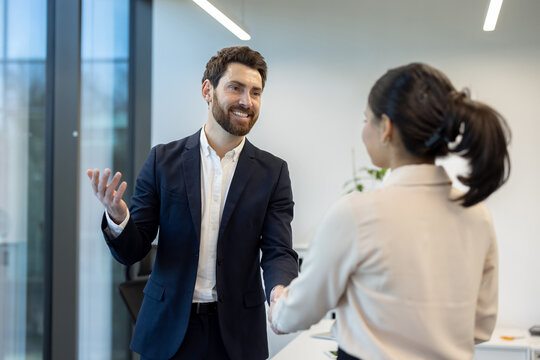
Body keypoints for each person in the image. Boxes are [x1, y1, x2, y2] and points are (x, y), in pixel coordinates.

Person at [269, 63, 510, 360]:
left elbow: (295, 313)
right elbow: (481, 327)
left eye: (366, 120)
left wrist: (280, 302)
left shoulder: (356, 214)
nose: (364, 131)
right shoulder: (477, 215)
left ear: (387, 128)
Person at [87, 46, 298, 360]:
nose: (246, 101)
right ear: (207, 90)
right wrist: (119, 218)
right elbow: (133, 250)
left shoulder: (273, 171)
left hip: (237, 334)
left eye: (255, 92)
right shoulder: (163, 160)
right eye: (235, 88)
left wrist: (280, 290)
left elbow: (278, 249)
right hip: (169, 330)